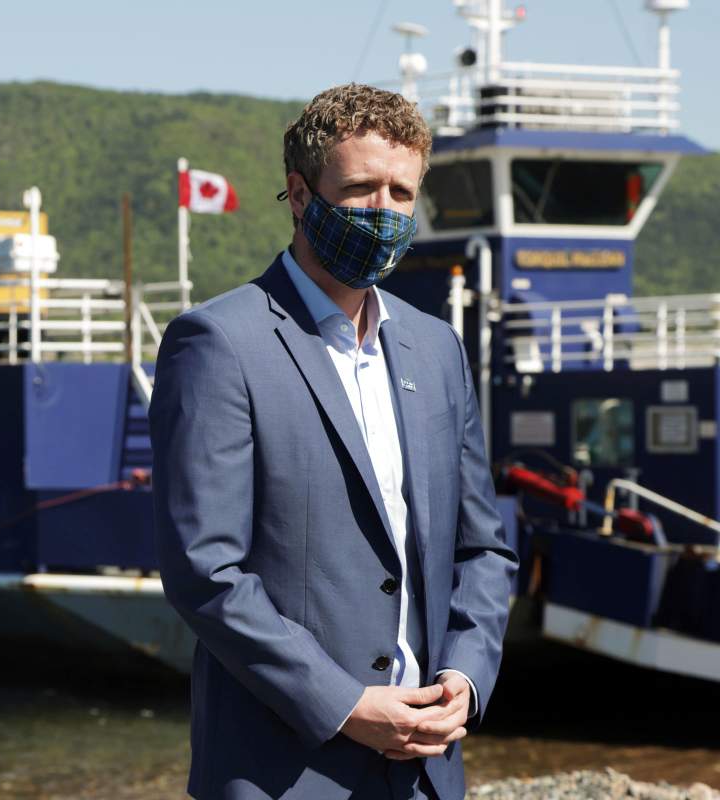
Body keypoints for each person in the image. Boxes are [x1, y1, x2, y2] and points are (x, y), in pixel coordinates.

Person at [149, 84, 518, 800]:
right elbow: (204, 571)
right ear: (298, 193)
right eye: (359, 189)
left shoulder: (437, 348)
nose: (384, 213)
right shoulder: (219, 344)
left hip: (427, 772)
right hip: (283, 773)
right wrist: (346, 705)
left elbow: (482, 548)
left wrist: (465, 681)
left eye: (401, 193)